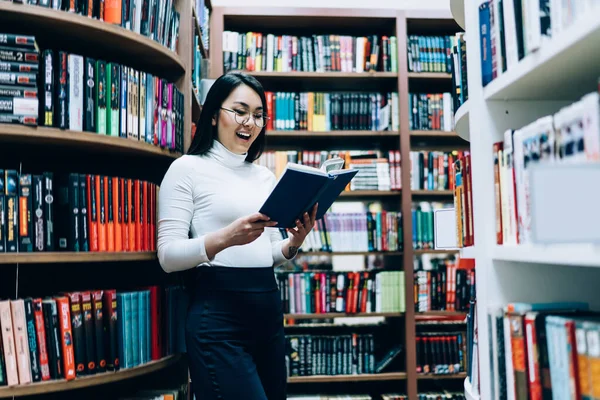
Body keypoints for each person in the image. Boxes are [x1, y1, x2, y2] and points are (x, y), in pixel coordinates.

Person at [157, 72, 318, 400]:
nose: (250, 122)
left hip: (268, 311)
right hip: (219, 316)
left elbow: (272, 251)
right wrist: (225, 238)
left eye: (258, 115)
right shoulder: (187, 169)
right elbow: (167, 255)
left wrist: (294, 243)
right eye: (240, 111)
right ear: (214, 114)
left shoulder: (263, 176)